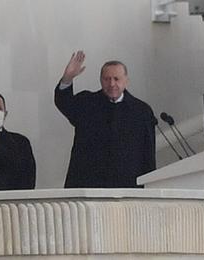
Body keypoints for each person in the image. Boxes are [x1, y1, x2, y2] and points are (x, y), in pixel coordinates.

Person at [54, 51, 156, 188]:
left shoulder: (141, 111)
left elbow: (148, 155)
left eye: (116, 79)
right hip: (87, 185)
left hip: (127, 188)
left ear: (126, 81)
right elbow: (63, 102)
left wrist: (149, 188)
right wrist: (67, 78)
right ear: (101, 80)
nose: (112, 83)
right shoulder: (87, 103)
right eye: (107, 79)